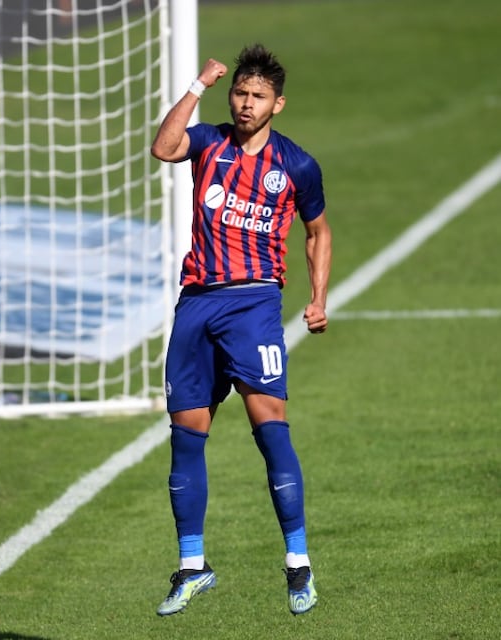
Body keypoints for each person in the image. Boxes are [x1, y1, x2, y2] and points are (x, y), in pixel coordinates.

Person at [149, 44, 331, 616]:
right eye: (241, 93)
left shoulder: (296, 165)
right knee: (186, 432)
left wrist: (318, 298)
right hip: (196, 304)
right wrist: (198, 86)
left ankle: (298, 564)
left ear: (278, 104)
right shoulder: (209, 142)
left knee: (270, 426)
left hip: (253, 303)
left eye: (258, 96)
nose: (247, 103)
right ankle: (192, 566)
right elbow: (163, 147)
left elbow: (318, 232)